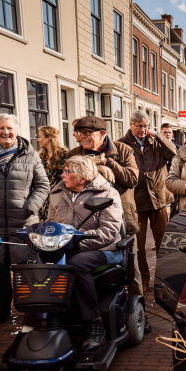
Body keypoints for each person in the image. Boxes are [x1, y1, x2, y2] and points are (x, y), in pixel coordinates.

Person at [41, 156, 124, 352]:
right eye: (64, 170)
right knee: (39, 265)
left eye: (68, 172)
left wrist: (76, 240)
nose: (63, 175)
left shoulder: (107, 193)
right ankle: (36, 323)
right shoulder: (57, 191)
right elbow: (51, 225)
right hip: (66, 248)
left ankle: (95, 324)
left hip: (104, 249)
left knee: (77, 264)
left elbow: (110, 232)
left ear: (83, 178)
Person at [0, 114, 50, 324]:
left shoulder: (30, 154)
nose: (5, 132)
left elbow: (42, 185)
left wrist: (31, 206)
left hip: (23, 221)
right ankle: (3, 309)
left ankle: (28, 308)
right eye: (1, 128)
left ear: (16, 130)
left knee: (26, 267)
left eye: (9, 128)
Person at [67, 116, 144, 299]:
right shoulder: (74, 154)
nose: (82, 137)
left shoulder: (123, 150)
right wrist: (95, 173)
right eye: (79, 133)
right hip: (86, 218)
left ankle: (137, 303)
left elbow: (132, 180)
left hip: (121, 216)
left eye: (88, 133)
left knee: (130, 264)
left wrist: (108, 163)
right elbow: (71, 184)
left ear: (102, 134)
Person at [118, 111, 176, 295]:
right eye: (139, 126)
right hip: (136, 200)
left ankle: (164, 279)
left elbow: (173, 153)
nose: (143, 130)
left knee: (162, 242)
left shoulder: (156, 142)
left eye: (145, 126)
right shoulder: (121, 143)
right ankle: (143, 279)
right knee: (139, 244)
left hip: (159, 197)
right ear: (131, 125)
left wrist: (158, 136)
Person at [37, 126, 69, 219]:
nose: (38, 140)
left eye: (40, 137)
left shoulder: (64, 154)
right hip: (43, 198)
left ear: (48, 138)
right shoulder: (40, 156)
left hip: (59, 197)